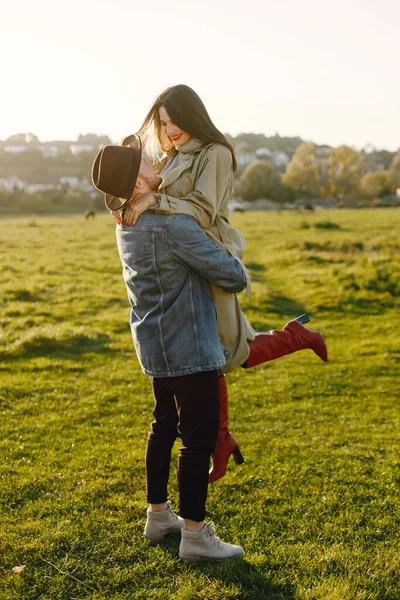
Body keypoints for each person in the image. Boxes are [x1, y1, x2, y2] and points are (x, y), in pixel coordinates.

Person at [112, 85, 328, 483]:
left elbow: (202, 210)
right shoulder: (175, 157)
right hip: (185, 263)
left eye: (174, 119)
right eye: (162, 122)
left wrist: (153, 202)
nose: (169, 128)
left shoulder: (216, 153)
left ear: (192, 116)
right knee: (209, 358)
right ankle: (222, 439)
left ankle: (296, 337)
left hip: (210, 257)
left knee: (228, 353)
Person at [92, 141, 245, 562]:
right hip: (190, 347)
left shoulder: (125, 223)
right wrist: (230, 250)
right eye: (146, 160)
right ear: (139, 180)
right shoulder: (171, 225)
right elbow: (232, 276)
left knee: (163, 426)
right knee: (197, 440)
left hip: (155, 347)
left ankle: (159, 515)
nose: (154, 160)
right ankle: (195, 536)